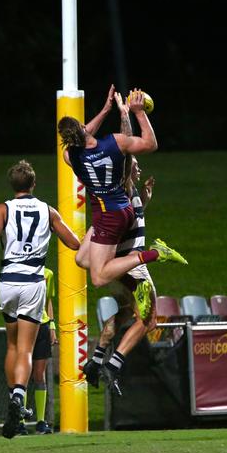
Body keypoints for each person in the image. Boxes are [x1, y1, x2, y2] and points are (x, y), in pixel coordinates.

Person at [58, 86, 186, 307]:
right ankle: (133, 283)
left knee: (98, 278)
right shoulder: (115, 142)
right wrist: (137, 112)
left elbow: (81, 135)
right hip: (118, 210)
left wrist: (105, 111)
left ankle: (154, 254)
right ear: (83, 128)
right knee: (81, 259)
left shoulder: (69, 156)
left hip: (109, 216)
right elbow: (150, 143)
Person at [0, 160, 79, 439]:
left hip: (8, 281)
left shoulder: (3, 208)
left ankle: (15, 399)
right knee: (26, 349)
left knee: (11, 345)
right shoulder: (47, 210)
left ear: (13, 185)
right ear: (33, 184)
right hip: (33, 282)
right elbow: (73, 243)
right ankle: (18, 400)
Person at [82, 155, 160, 396]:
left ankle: (95, 361)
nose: (139, 169)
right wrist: (126, 116)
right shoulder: (122, 186)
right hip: (131, 263)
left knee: (126, 312)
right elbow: (125, 160)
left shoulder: (130, 191)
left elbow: (131, 221)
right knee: (149, 318)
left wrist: (144, 202)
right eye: (135, 166)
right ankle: (113, 366)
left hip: (121, 266)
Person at [17, 267, 57, 435]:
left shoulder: (48, 274)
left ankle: (41, 421)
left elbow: (48, 300)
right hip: (25, 324)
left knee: (39, 375)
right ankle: (20, 422)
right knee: (23, 375)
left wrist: (52, 326)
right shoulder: (17, 271)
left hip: (42, 326)